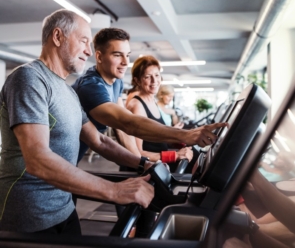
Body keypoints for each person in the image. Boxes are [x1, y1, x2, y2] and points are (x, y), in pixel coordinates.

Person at [0, 9, 154, 234]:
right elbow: (37, 159)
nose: (89, 51)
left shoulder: (68, 91)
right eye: (83, 41)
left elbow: (99, 140)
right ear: (57, 37)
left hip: (64, 207)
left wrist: (143, 164)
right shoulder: (29, 78)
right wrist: (114, 191)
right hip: (28, 214)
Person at [72, 28, 227, 165]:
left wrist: (141, 165)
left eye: (127, 55)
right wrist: (185, 135)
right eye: (118, 55)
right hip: (57, 157)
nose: (126, 62)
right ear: (99, 57)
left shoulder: (116, 82)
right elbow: (127, 123)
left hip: (71, 158)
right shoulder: (92, 86)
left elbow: (121, 130)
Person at [126, 55, 193, 168]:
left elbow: (155, 139)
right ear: (137, 80)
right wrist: (174, 155)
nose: (154, 81)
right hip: (144, 169)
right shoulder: (137, 106)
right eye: (148, 76)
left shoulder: (152, 102)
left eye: (157, 75)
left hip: (159, 165)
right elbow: (138, 153)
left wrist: (182, 139)